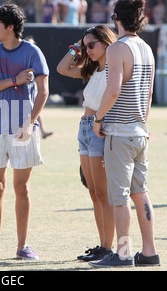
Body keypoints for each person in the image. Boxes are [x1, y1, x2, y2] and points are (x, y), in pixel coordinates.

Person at [90, 0, 159, 267]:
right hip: (140, 130)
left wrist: (98, 119)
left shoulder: (118, 48)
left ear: (115, 18)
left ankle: (123, 253)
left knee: (119, 198)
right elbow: (150, 94)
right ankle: (149, 252)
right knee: (140, 193)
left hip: (120, 132)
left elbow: (113, 89)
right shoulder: (147, 48)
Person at [0, 4, 49, 261]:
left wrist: (31, 122)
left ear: (9, 27)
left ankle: (23, 246)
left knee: (22, 187)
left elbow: (43, 92)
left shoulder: (32, 52)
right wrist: (15, 80)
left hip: (23, 128)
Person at [57, 25, 117, 261]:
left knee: (103, 193)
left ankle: (108, 247)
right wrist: (76, 48)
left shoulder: (114, 69)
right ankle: (103, 245)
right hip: (84, 128)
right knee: (93, 191)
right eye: (86, 46)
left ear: (105, 42)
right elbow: (62, 68)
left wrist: (99, 121)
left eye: (92, 45)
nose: (88, 50)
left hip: (99, 128)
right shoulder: (91, 70)